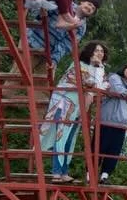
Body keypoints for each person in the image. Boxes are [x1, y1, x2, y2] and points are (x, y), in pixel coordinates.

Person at [39, 40, 107, 183]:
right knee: (61, 136)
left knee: (70, 139)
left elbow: (100, 86)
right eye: (96, 50)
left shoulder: (99, 69)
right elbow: (92, 83)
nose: (99, 53)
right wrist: (98, 79)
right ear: (89, 52)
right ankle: (56, 172)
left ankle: (64, 171)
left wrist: (99, 69)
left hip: (78, 108)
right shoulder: (79, 64)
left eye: (102, 51)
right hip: (65, 103)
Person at [92, 61, 127, 183]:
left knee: (114, 151)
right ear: (124, 69)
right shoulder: (114, 77)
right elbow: (118, 89)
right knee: (100, 147)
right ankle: (90, 174)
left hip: (121, 123)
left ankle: (105, 175)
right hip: (107, 120)